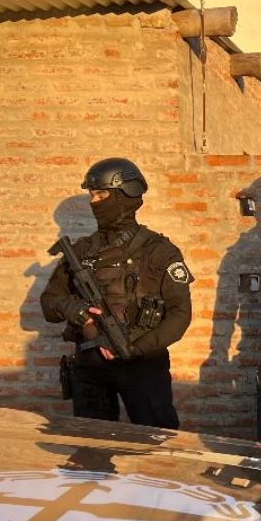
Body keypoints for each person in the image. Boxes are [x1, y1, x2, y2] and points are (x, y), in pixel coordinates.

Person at [41, 157, 192, 429]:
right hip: (90, 365)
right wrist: (73, 310)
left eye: (102, 195)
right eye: (92, 195)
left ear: (126, 194)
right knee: (92, 445)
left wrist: (135, 349)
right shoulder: (81, 251)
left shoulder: (159, 251)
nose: (95, 202)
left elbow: (180, 315)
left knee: (156, 442)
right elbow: (49, 302)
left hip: (143, 363)